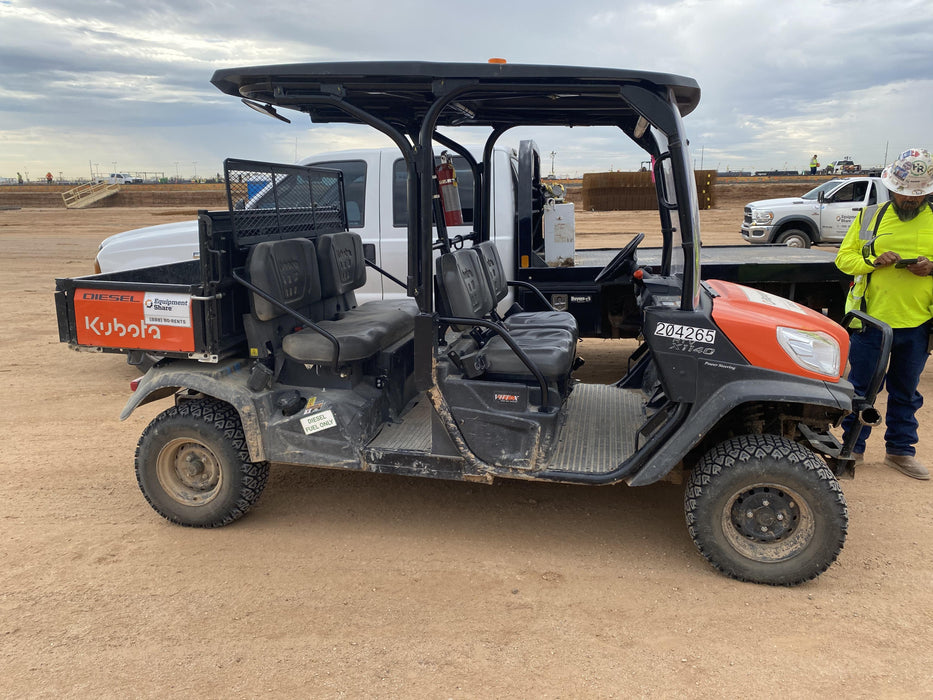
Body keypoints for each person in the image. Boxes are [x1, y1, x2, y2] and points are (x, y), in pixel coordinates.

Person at [836, 147, 933, 480]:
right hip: (871, 323)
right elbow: (843, 260)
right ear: (892, 188)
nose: (909, 201)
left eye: (916, 196)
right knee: (861, 389)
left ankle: (900, 451)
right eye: (904, 194)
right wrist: (872, 261)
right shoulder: (870, 218)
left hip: (918, 323)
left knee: (906, 390)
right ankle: (851, 449)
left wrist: (931, 268)